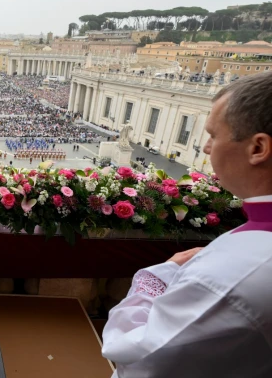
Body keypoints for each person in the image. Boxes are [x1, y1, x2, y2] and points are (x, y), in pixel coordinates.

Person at [101, 72, 272, 377]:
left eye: (214, 135)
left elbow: (132, 353)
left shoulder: (234, 274)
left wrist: (158, 276)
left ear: (258, 148)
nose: (206, 148)